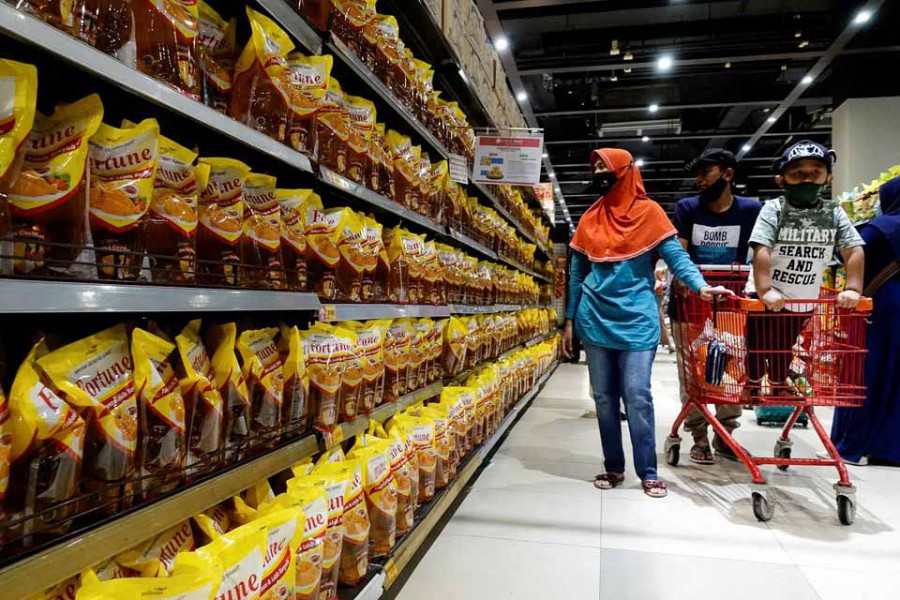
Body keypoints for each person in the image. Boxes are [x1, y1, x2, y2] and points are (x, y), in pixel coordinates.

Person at [561, 148, 730, 499]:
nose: (597, 174)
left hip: (637, 319)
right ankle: (613, 466)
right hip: (594, 318)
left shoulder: (650, 213)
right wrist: (569, 321)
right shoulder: (590, 218)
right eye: (594, 168)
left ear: (625, 172)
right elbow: (577, 274)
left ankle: (648, 471)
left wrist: (700, 286)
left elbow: (676, 256)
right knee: (605, 398)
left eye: (603, 168)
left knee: (637, 395)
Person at [746, 141, 865, 399]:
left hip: (802, 299)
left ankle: (778, 386)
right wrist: (765, 289)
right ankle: (753, 385)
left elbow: (854, 249)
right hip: (764, 296)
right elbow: (762, 249)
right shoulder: (774, 209)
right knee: (756, 345)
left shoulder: (834, 213)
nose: (806, 180)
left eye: (815, 172)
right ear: (781, 180)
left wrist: (853, 289)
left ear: (828, 177)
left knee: (783, 346)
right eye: (797, 173)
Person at [671, 149, 762, 464]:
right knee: (692, 374)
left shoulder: (751, 210)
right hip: (690, 304)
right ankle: (698, 437)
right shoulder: (687, 209)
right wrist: (684, 280)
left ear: (727, 174)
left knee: (730, 372)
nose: (699, 179)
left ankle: (725, 436)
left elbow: (763, 253)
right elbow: (680, 253)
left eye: (705, 172)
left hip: (732, 305)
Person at [830, 176, 900, 465]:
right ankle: (890, 448)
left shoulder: (883, 227)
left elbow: (849, 250)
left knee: (863, 373)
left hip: (882, 307)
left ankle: (852, 443)